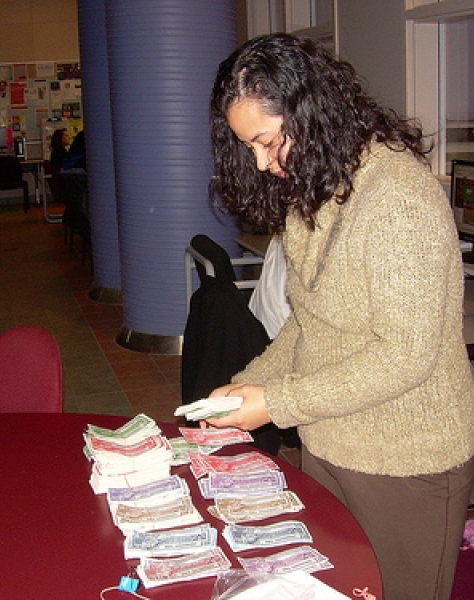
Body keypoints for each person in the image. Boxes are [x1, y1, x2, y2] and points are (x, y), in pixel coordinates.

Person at [205, 33, 474, 600]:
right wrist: (250, 384)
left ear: (309, 111)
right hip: (328, 442)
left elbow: (406, 356)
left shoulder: (398, 197)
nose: (259, 161)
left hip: (405, 461)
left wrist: (274, 403)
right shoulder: (315, 186)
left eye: (266, 141)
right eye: (246, 145)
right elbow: (308, 323)